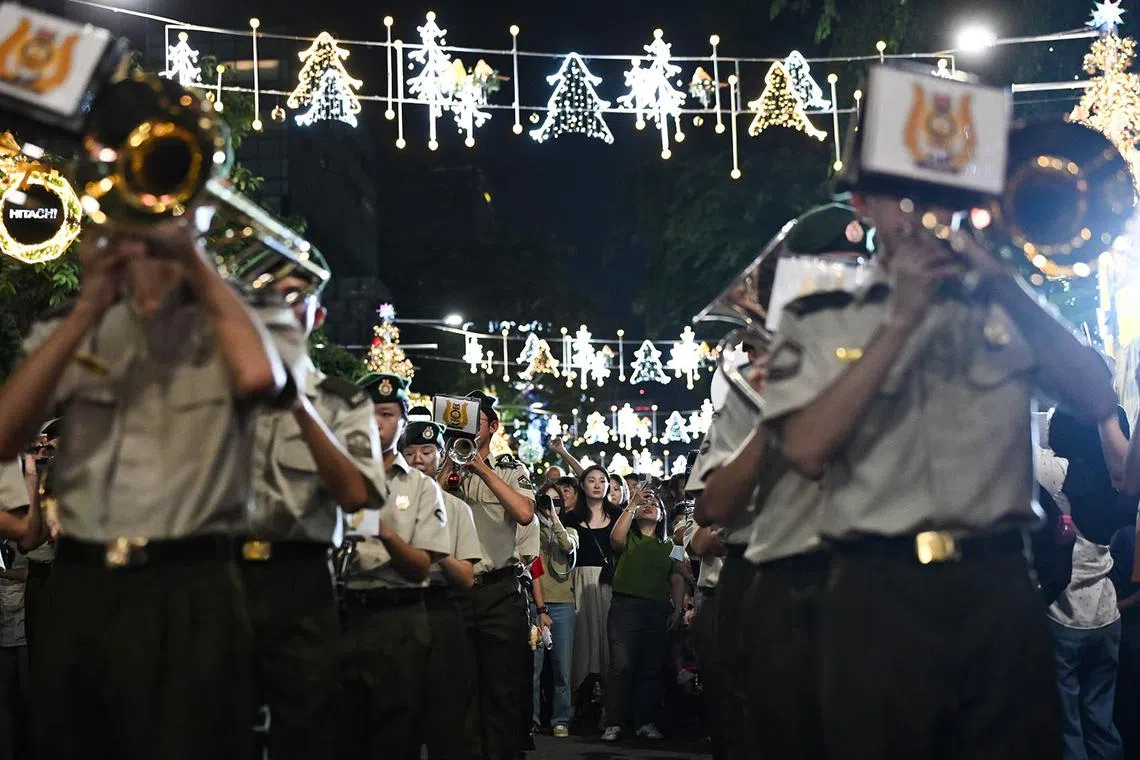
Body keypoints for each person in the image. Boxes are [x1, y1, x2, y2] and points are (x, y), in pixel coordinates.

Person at [769, 191, 1118, 757]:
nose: (918, 210)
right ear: (864, 203)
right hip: (878, 586)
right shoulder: (823, 315)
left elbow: (1097, 395)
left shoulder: (1004, 305)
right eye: (899, 193)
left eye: (935, 190)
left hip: (999, 584)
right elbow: (806, 448)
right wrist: (899, 320)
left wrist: (1004, 283)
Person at [0, 227, 294, 759]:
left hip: (194, 581)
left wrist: (192, 256)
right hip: (83, 579)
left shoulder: (241, 317)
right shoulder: (74, 320)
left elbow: (259, 377)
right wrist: (90, 303)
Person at [240, 264, 388, 760]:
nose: (281, 307)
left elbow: (356, 494)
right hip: (221, 572)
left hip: (298, 576)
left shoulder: (341, 402)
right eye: (269, 295)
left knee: (304, 726)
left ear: (317, 316)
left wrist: (296, 401)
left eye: (295, 296)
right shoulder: (223, 393)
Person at [340, 373, 450, 760]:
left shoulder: (421, 487)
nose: (376, 423)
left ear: (403, 421)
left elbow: (420, 567)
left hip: (399, 618)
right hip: (346, 612)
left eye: (386, 414)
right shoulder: (339, 477)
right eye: (368, 413)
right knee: (343, 734)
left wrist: (381, 530)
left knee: (397, 735)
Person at [439, 390, 536, 760]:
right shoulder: (443, 468)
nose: (465, 428)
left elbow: (524, 513)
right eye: (459, 420)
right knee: (458, 694)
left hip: (499, 593)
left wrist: (479, 467)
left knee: (502, 693)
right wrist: (450, 463)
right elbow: (425, 507)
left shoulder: (510, 469)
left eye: (473, 421)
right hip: (454, 592)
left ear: (493, 426)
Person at [402, 409, 483, 760]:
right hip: (399, 608)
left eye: (426, 451)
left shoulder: (457, 509)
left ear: (441, 456)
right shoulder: (385, 500)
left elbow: (466, 578)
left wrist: (436, 551)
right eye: (410, 453)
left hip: (442, 609)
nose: (418, 460)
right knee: (398, 712)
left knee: (446, 714)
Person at [600, 489, 686, 742]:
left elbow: (677, 576)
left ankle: (645, 722)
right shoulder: (628, 538)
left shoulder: (671, 546)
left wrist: (677, 609)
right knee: (621, 666)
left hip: (657, 608)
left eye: (654, 503)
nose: (648, 505)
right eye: (643, 502)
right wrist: (633, 503)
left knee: (652, 668)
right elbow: (615, 538)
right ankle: (614, 722)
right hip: (625, 606)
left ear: (662, 516)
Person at [562, 465, 621, 708]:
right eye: (591, 480)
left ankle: (610, 706)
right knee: (581, 640)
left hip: (608, 582)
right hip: (579, 579)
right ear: (582, 484)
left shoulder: (618, 515)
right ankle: (575, 703)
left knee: (608, 639)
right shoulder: (571, 517)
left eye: (602, 480)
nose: (597, 485)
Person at [531, 481, 579, 739]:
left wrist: (554, 518)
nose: (551, 506)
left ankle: (560, 719)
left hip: (563, 605)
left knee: (563, 669)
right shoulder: (530, 528)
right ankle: (532, 720)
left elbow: (567, 547)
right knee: (534, 667)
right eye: (546, 501)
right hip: (534, 604)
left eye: (557, 502)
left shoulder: (569, 529)